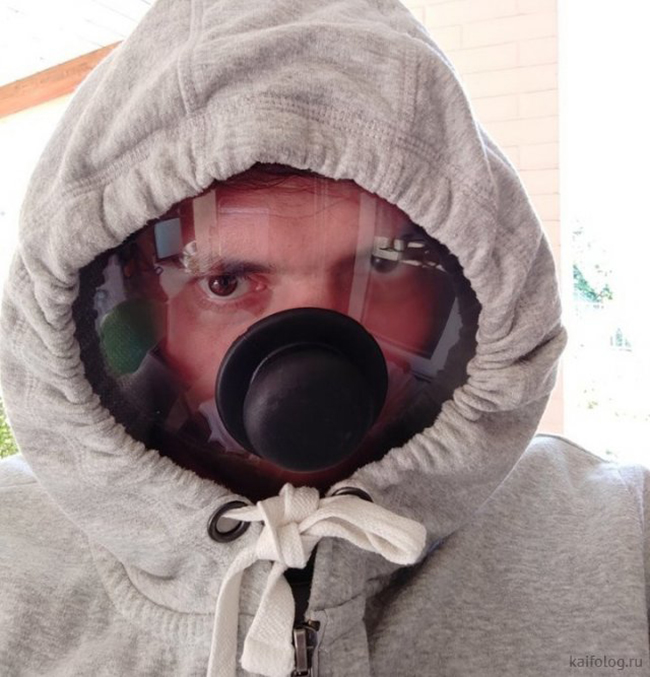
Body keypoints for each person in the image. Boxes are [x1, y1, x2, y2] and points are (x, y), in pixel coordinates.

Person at [0, 1, 647, 676]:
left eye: (382, 265)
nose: (313, 363)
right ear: (142, 314)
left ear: (459, 298)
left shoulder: (625, 542)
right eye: (225, 281)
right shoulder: (10, 557)